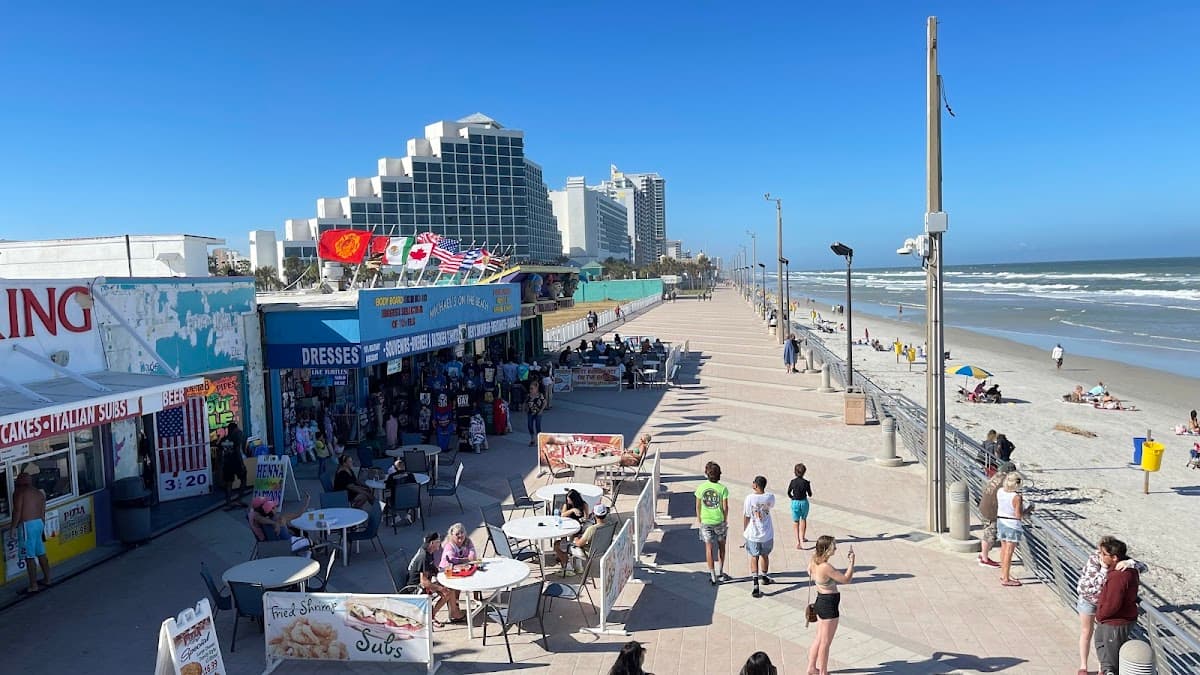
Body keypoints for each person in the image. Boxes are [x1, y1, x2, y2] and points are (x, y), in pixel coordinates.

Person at [1076, 536, 1147, 675]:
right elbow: (1086, 587)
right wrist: (1103, 569)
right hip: (1089, 600)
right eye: (1099, 551)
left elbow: (1144, 567)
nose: (1099, 554)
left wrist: (1131, 563)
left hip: (1107, 603)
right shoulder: (1095, 559)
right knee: (1087, 632)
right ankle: (1083, 666)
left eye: (1102, 551)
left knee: (1103, 637)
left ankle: (1103, 668)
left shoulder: (1120, 560)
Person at [807, 535, 855, 675]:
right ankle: (823, 672)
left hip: (820, 600)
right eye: (834, 546)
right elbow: (846, 579)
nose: (836, 548)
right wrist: (851, 563)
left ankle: (811, 667)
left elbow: (808, 570)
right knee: (825, 642)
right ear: (827, 549)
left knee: (819, 638)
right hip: (829, 605)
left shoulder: (814, 560)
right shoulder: (825, 567)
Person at [1092, 538, 1141, 675]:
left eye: (1103, 554)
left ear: (1114, 557)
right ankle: (1107, 671)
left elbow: (1113, 603)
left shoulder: (1119, 576)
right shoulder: (1127, 569)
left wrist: (1100, 615)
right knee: (1101, 644)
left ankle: (1110, 671)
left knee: (1113, 658)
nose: (1100, 556)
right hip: (1109, 620)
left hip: (1115, 622)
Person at [10, 470, 51, 593]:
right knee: (41, 552)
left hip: (27, 525)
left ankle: (33, 585)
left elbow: (17, 511)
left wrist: (13, 527)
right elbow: (43, 512)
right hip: (39, 524)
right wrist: (41, 525)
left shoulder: (20, 492)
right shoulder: (39, 493)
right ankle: (47, 579)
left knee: (29, 556)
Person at [418, 532, 467, 627]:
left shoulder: (429, 551)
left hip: (426, 582)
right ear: (432, 543)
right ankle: (431, 616)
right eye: (438, 542)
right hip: (418, 588)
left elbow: (433, 569)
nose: (439, 544)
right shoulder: (424, 556)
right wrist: (440, 588)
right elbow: (424, 582)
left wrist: (445, 573)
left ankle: (454, 614)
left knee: (450, 587)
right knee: (446, 591)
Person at [695, 461, 731, 585]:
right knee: (721, 546)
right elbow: (726, 507)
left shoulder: (701, 488)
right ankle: (721, 571)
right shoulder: (723, 489)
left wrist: (699, 518)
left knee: (709, 548)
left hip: (706, 521)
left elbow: (698, 505)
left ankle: (712, 574)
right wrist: (725, 518)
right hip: (719, 520)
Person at [977, 461, 1016, 567]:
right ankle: (984, 558)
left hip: (984, 507)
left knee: (987, 532)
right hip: (991, 511)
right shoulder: (1005, 481)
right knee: (990, 534)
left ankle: (982, 555)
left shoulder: (997, 476)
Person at [743, 476, 776, 598]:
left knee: (754, 556)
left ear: (755, 485)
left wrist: (745, 529)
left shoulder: (749, 498)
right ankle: (765, 576)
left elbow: (746, 515)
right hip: (767, 533)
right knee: (765, 555)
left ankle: (755, 584)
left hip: (753, 534)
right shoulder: (770, 497)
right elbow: (770, 506)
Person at [996, 471, 1029, 587]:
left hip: (1001, 521)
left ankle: (1003, 574)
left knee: (1003, 549)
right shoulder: (1016, 497)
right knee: (1009, 552)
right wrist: (1028, 510)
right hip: (1012, 524)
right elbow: (1018, 515)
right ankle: (1006, 578)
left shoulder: (1000, 491)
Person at [560, 503, 609, 575]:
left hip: (588, 552)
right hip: (602, 549)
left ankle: (568, 569)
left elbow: (579, 543)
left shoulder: (592, 529)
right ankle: (578, 566)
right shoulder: (609, 525)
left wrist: (575, 537)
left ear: (594, 515)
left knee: (558, 545)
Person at [220, 422, 248, 508]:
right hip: (236, 462)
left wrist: (221, 465)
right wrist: (242, 464)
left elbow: (220, 453)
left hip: (227, 464)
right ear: (234, 429)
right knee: (243, 479)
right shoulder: (235, 438)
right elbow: (237, 451)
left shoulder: (223, 440)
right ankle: (239, 499)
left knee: (229, 483)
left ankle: (229, 502)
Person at [787, 463, 813, 549]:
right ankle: (803, 537)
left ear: (794, 472)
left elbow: (788, 492)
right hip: (804, 502)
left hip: (795, 502)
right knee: (804, 519)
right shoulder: (806, 482)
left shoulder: (792, 482)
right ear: (804, 472)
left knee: (796, 521)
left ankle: (798, 541)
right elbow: (810, 494)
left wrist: (792, 498)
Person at [525, 380, 546, 447]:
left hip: (538, 413)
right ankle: (532, 439)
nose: (530, 390)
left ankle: (539, 440)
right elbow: (526, 402)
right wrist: (525, 409)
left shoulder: (540, 395)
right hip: (530, 412)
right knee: (530, 426)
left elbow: (544, 402)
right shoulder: (528, 396)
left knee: (538, 426)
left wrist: (541, 410)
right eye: (530, 388)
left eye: (532, 388)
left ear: (536, 389)